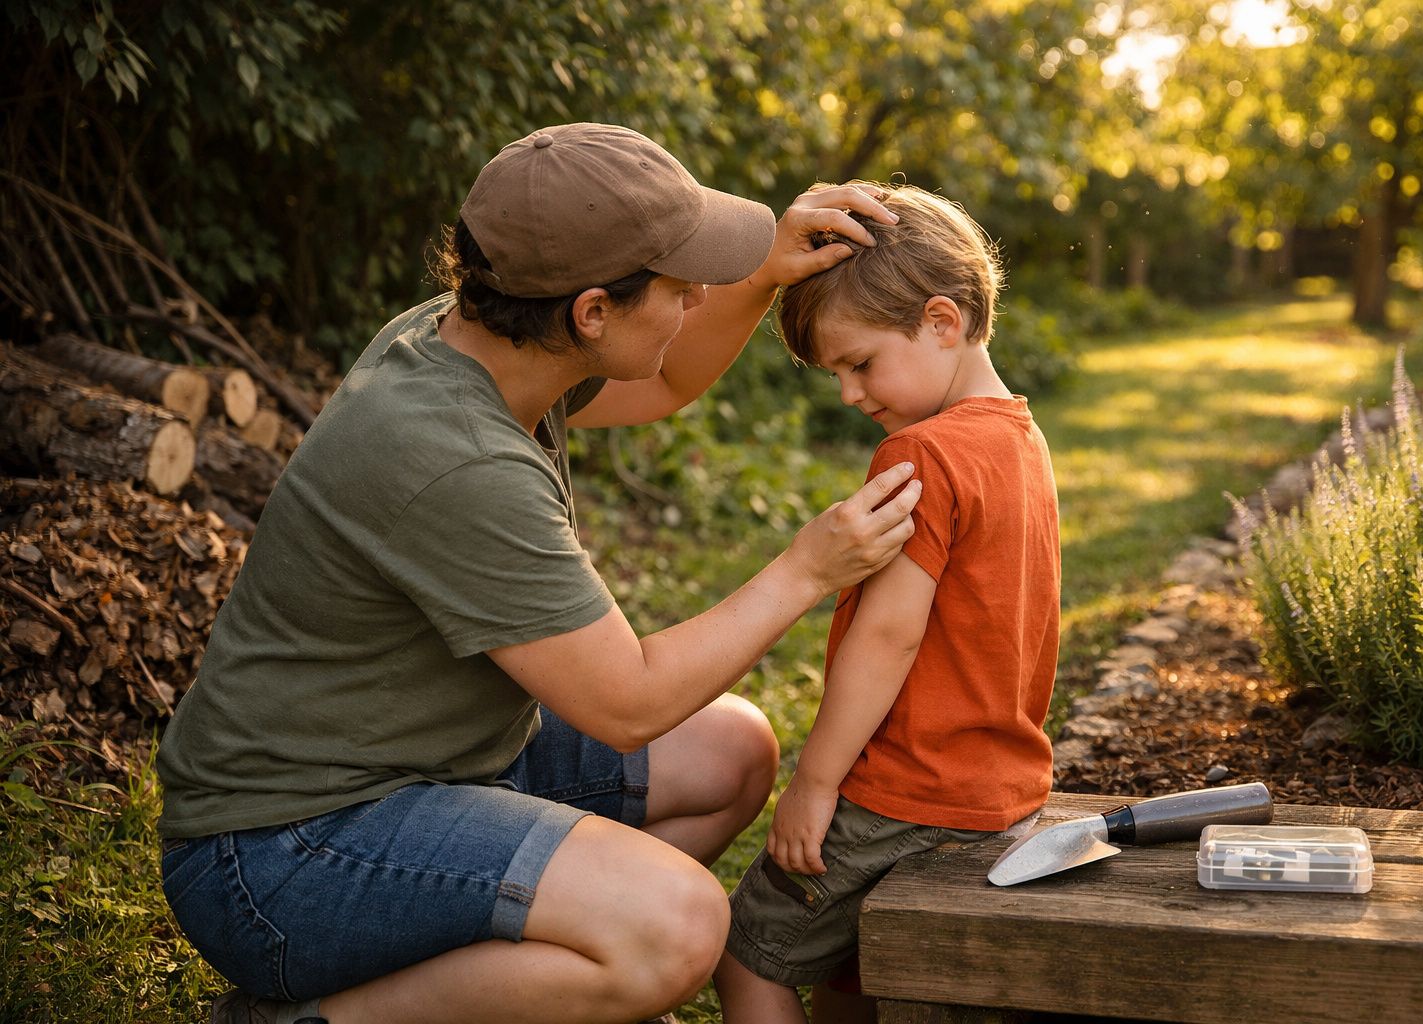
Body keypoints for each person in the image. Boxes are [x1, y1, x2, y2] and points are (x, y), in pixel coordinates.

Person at [153, 124, 923, 1024]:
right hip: (281, 854)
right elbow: (625, 703)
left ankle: (539, 979)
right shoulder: (454, 459)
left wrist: (760, 274)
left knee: (732, 751)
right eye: (681, 286)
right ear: (591, 313)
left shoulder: (475, 337)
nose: (698, 297)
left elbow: (665, 382)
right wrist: (805, 570)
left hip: (439, 767)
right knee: (675, 927)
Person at [712, 182, 1062, 1024]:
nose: (848, 394)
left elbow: (889, 637)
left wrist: (814, 782)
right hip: (998, 790)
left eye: (859, 363)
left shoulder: (923, 454)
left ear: (942, 321)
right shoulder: (1021, 439)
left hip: (901, 795)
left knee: (744, 956)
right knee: (850, 972)